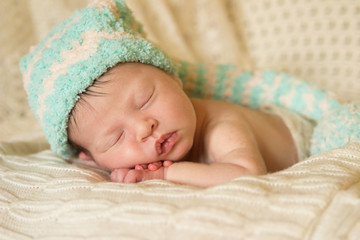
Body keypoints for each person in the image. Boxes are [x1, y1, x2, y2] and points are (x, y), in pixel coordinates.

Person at [20, 0, 314, 187]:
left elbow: (247, 174)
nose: (143, 128)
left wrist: (161, 175)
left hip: (302, 139)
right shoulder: (95, 161)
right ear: (90, 158)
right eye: (116, 138)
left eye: (145, 100)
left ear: (173, 78)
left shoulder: (219, 123)